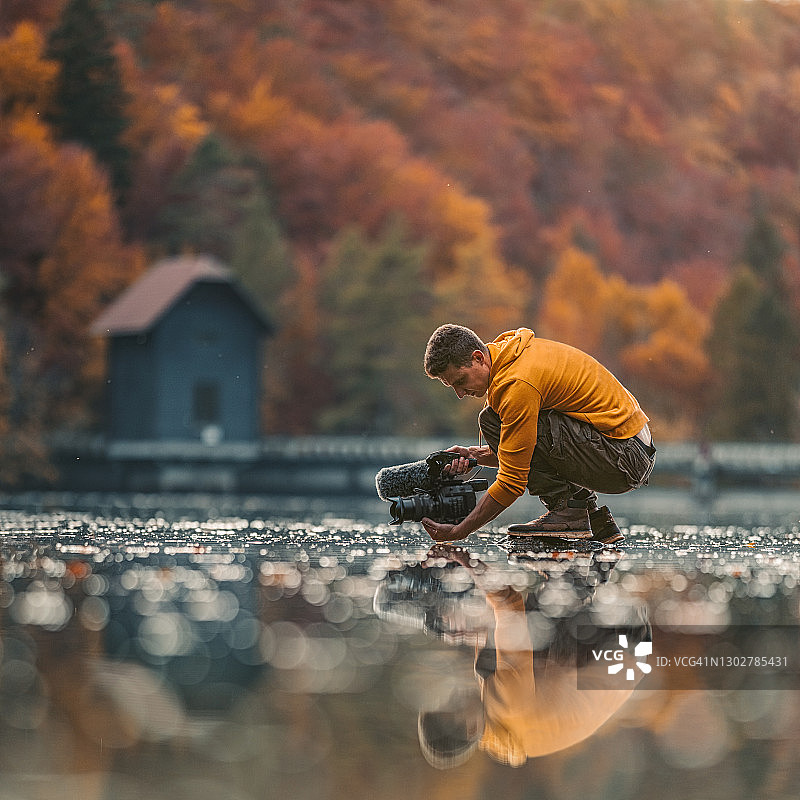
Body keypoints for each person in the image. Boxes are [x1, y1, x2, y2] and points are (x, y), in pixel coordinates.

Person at [421, 324, 656, 543]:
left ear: (478, 358)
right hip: (627, 448)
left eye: (461, 380)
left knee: (495, 420)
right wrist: (476, 457)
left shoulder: (518, 384)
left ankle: (568, 512)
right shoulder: (510, 355)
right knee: (493, 419)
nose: (460, 393)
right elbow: (526, 454)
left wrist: (459, 530)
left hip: (624, 456)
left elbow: (513, 481)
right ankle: (593, 519)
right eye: (452, 386)